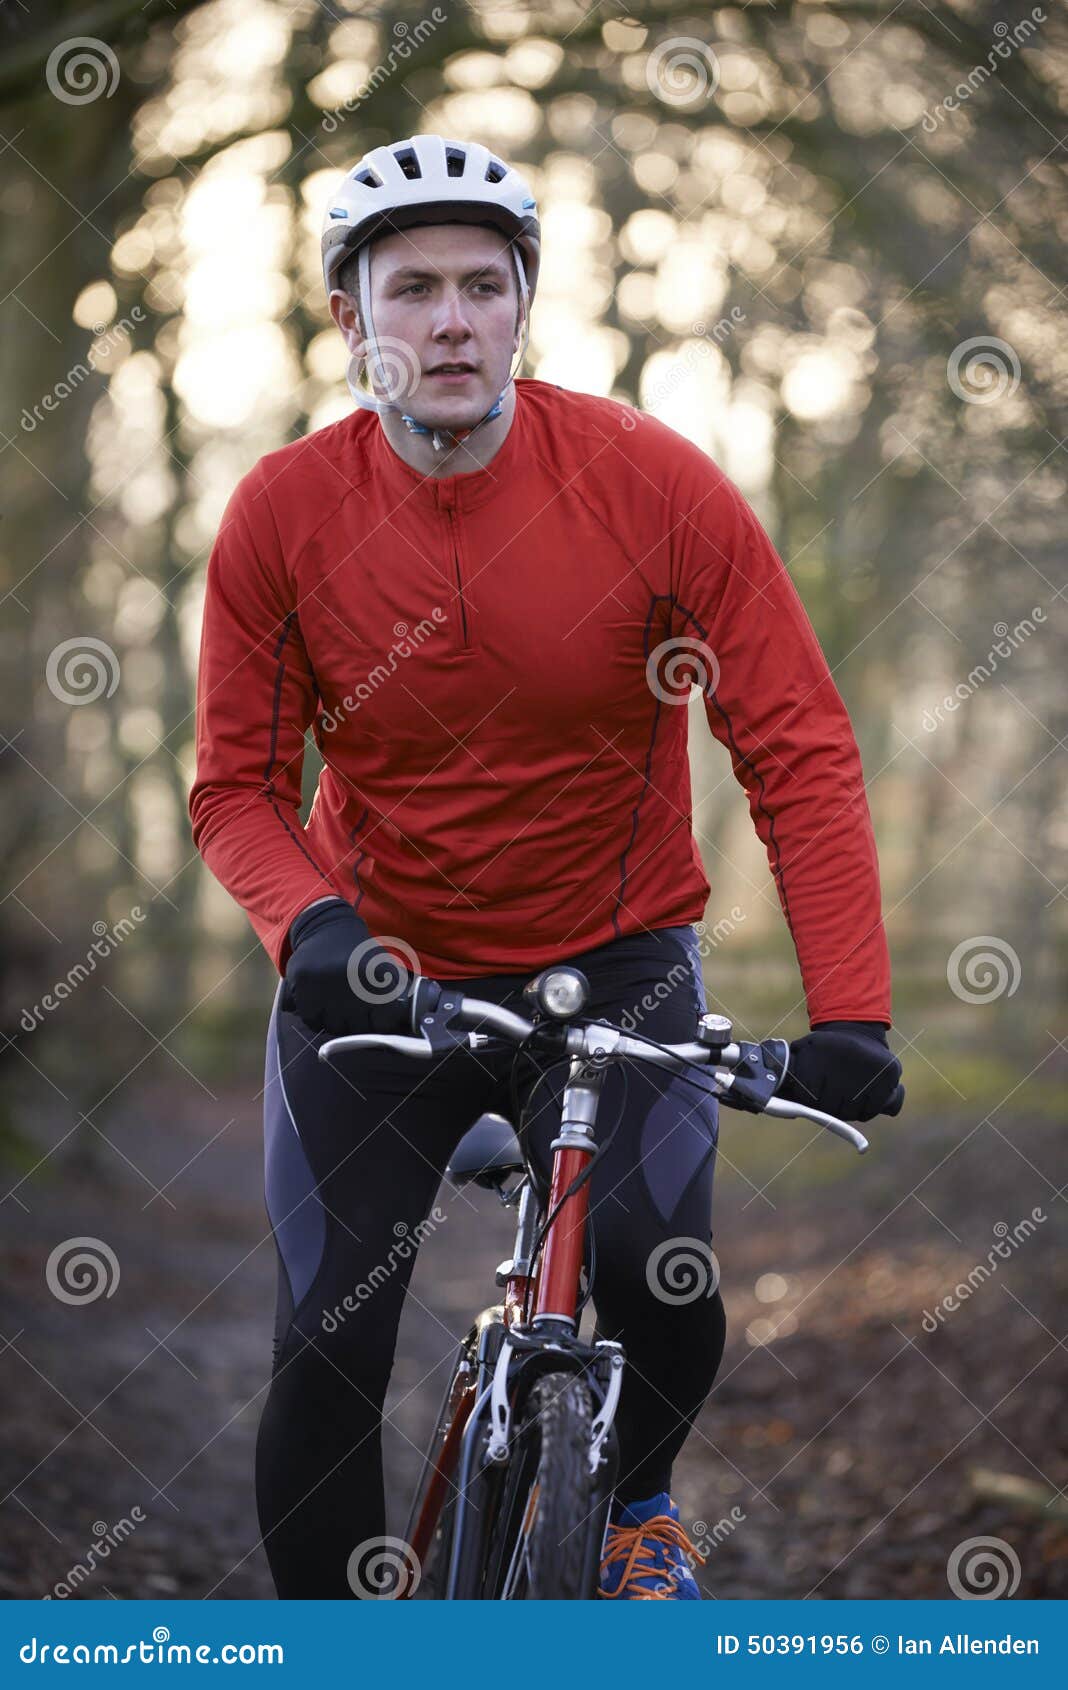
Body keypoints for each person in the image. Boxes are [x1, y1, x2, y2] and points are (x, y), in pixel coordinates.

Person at [188, 132, 903, 1600]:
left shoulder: (654, 484)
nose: (448, 320)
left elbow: (800, 748)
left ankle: (634, 1504)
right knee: (328, 1336)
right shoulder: (280, 513)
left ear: (524, 306)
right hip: (375, 968)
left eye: (479, 286)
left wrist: (855, 1013)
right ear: (352, 321)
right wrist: (312, 927)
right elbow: (238, 791)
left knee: (660, 1265)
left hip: (616, 952)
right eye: (410, 290)